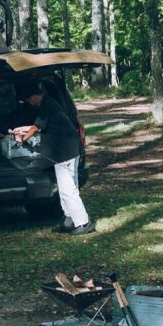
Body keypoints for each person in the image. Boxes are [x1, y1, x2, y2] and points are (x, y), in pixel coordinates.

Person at [10, 83, 95, 235]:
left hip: (65, 153)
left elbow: (35, 128)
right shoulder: (48, 104)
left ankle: (83, 223)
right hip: (66, 152)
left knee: (69, 190)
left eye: (28, 101)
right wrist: (22, 129)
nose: (29, 104)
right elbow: (39, 125)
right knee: (65, 189)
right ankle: (69, 222)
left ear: (34, 97)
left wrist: (23, 139)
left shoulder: (47, 105)